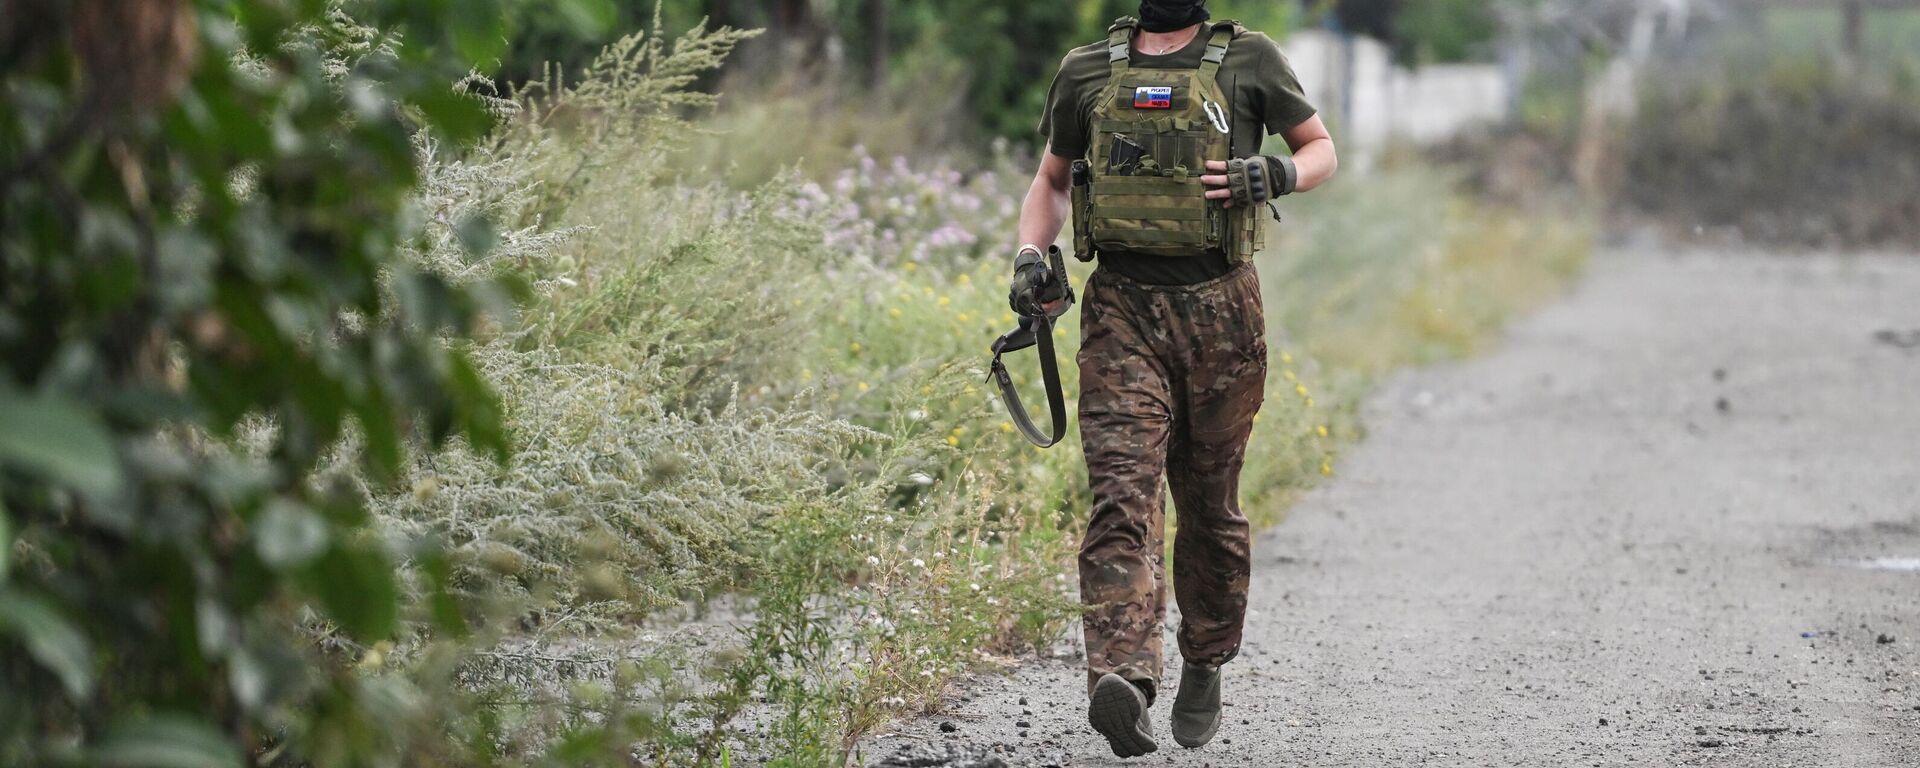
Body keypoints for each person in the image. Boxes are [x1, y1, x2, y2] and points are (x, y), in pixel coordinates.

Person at [1006, 0, 1338, 757]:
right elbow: (1053, 181)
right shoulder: (1087, 70)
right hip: (1121, 309)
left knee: (1209, 506)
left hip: (1222, 310)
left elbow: (1321, 148)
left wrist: (1277, 172)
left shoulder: (1250, 59)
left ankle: (1206, 659)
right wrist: (1030, 255)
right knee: (1122, 495)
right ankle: (1123, 679)